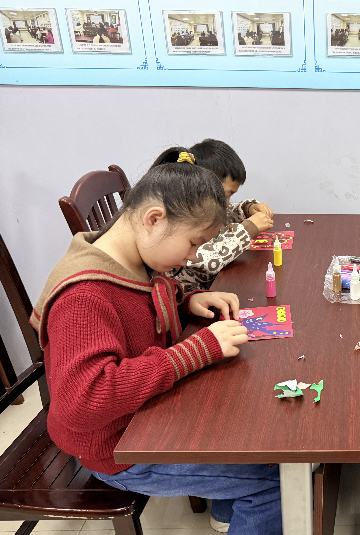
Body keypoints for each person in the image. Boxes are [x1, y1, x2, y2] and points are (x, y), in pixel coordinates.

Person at [31, 162, 282, 535]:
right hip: (118, 448)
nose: (194, 256)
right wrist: (194, 352)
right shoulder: (83, 296)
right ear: (154, 219)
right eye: (194, 243)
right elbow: (84, 401)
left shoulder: (133, 259)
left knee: (251, 426)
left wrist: (188, 300)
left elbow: (145, 302)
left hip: (145, 417)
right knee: (275, 482)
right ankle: (244, 503)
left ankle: (228, 511)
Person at [151, 141, 274, 292]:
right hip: (184, 300)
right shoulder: (178, 222)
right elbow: (204, 262)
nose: (227, 204)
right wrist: (247, 229)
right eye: (225, 196)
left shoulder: (201, 212)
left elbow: (225, 216)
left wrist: (246, 209)